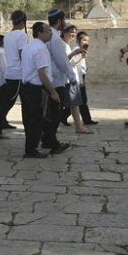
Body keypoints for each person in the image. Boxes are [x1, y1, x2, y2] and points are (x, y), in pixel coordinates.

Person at [21, 22, 61, 159]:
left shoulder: (28, 47)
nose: (50, 33)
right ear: (40, 32)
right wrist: (53, 92)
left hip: (28, 87)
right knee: (37, 120)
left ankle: (52, 143)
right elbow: (42, 73)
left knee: (41, 118)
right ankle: (31, 149)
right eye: (48, 31)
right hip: (38, 88)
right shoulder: (40, 48)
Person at [0, 11, 27, 135]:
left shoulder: (8, 36)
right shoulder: (21, 36)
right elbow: (23, 55)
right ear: (22, 22)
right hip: (18, 74)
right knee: (12, 103)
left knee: (7, 102)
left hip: (11, 74)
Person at [41, 9, 73, 154]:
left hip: (48, 79)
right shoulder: (54, 39)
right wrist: (72, 76)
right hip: (56, 80)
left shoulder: (47, 36)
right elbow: (62, 61)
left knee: (50, 112)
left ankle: (47, 140)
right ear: (59, 21)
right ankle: (53, 143)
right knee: (55, 113)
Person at [60, 24, 93, 134]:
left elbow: (72, 63)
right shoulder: (63, 46)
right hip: (66, 79)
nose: (73, 34)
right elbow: (64, 61)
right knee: (72, 104)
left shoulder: (67, 46)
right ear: (64, 32)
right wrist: (75, 53)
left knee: (74, 104)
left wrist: (81, 57)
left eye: (74, 31)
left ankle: (79, 126)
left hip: (72, 78)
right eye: (71, 32)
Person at [75, 32, 97, 125]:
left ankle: (63, 117)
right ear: (78, 40)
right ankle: (87, 120)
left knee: (79, 100)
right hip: (78, 77)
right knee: (82, 99)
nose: (86, 42)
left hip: (81, 76)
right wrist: (82, 56)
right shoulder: (76, 50)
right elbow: (74, 63)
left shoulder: (81, 50)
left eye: (87, 40)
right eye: (84, 40)